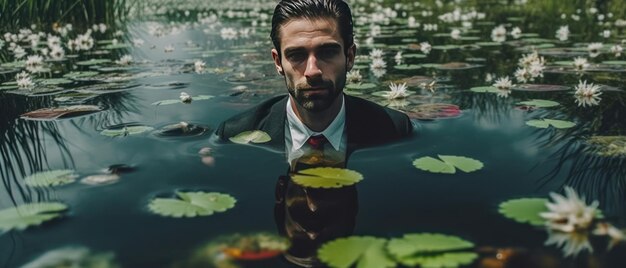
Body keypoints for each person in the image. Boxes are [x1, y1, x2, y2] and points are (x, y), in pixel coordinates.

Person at [215, 0, 414, 165]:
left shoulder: (395, 129)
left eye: (327, 52)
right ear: (278, 63)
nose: (313, 71)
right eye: (296, 55)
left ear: (350, 56)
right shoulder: (234, 136)